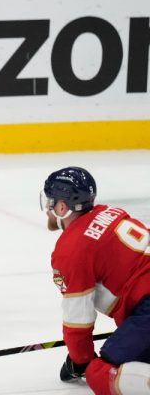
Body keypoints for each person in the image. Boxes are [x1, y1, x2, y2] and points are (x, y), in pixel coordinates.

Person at [40, 167, 150, 395]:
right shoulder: (110, 212)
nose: (47, 209)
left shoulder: (69, 251)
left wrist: (81, 361)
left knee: (100, 372)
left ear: (62, 207)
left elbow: (77, 322)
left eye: (50, 202)